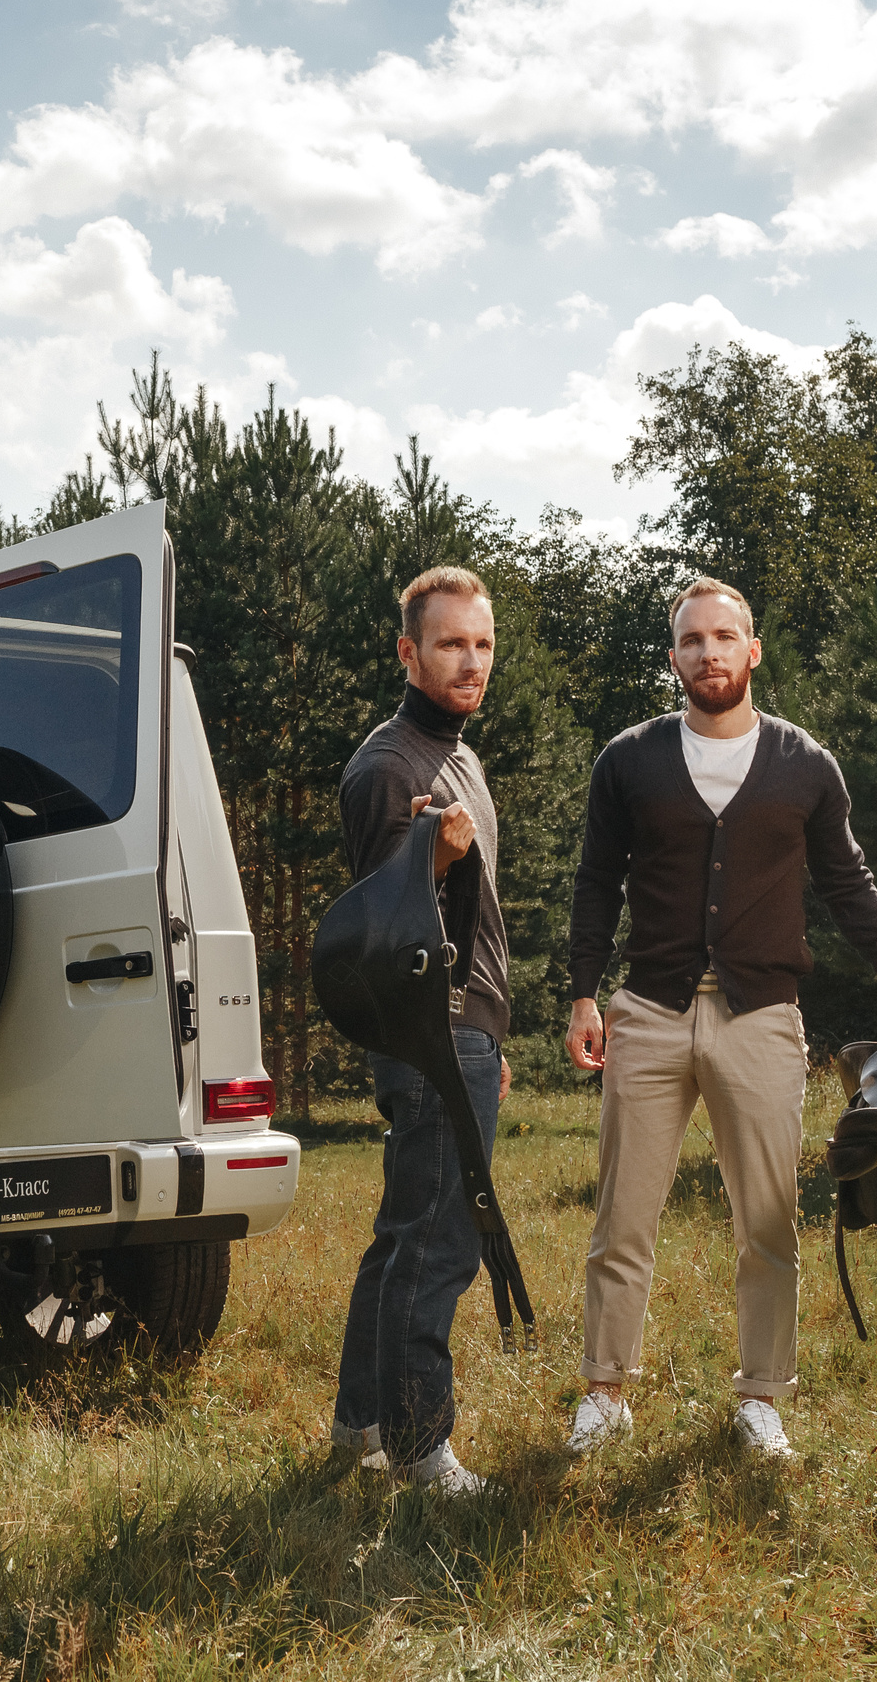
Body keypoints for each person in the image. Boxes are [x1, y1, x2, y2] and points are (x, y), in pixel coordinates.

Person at [562, 577, 877, 1460]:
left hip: (764, 1017)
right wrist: (585, 992)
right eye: (691, 640)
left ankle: (762, 1398)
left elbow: (850, 884)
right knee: (623, 1216)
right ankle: (603, 1391)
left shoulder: (804, 764)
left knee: (768, 1221)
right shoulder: (628, 759)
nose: (708, 652)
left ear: (753, 650)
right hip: (649, 1012)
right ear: (674, 658)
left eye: (724, 636)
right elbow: (596, 882)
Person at [328, 565, 515, 1497]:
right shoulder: (389, 766)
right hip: (427, 1035)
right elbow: (380, 935)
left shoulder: (459, 757)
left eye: (482, 645)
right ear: (408, 651)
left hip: (465, 1031)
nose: (470, 662)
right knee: (442, 1242)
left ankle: (359, 1422)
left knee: (404, 1230)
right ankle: (417, 1444)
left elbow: (471, 915)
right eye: (450, 644)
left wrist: (491, 1032)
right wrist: (421, 856)